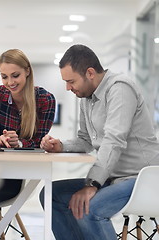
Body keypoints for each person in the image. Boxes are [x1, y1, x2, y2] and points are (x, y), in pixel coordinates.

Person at [39, 44, 159, 240]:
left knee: (89, 209)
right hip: (113, 179)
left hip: (143, 179)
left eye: (71, 81)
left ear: (90, 73)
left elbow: (114, 140)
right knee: (50, 195)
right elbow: (85, 140)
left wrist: (92, 184)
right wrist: (60, 146)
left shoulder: (120, 89)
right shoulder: (86, 98)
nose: (67, 88)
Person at [0, 49, 56, 234]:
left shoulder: (45, 100)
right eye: (4, 77)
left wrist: (20, 144)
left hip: (15, 178)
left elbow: (40, 142)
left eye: (15, 75)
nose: (10, 82)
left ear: (27, 71)